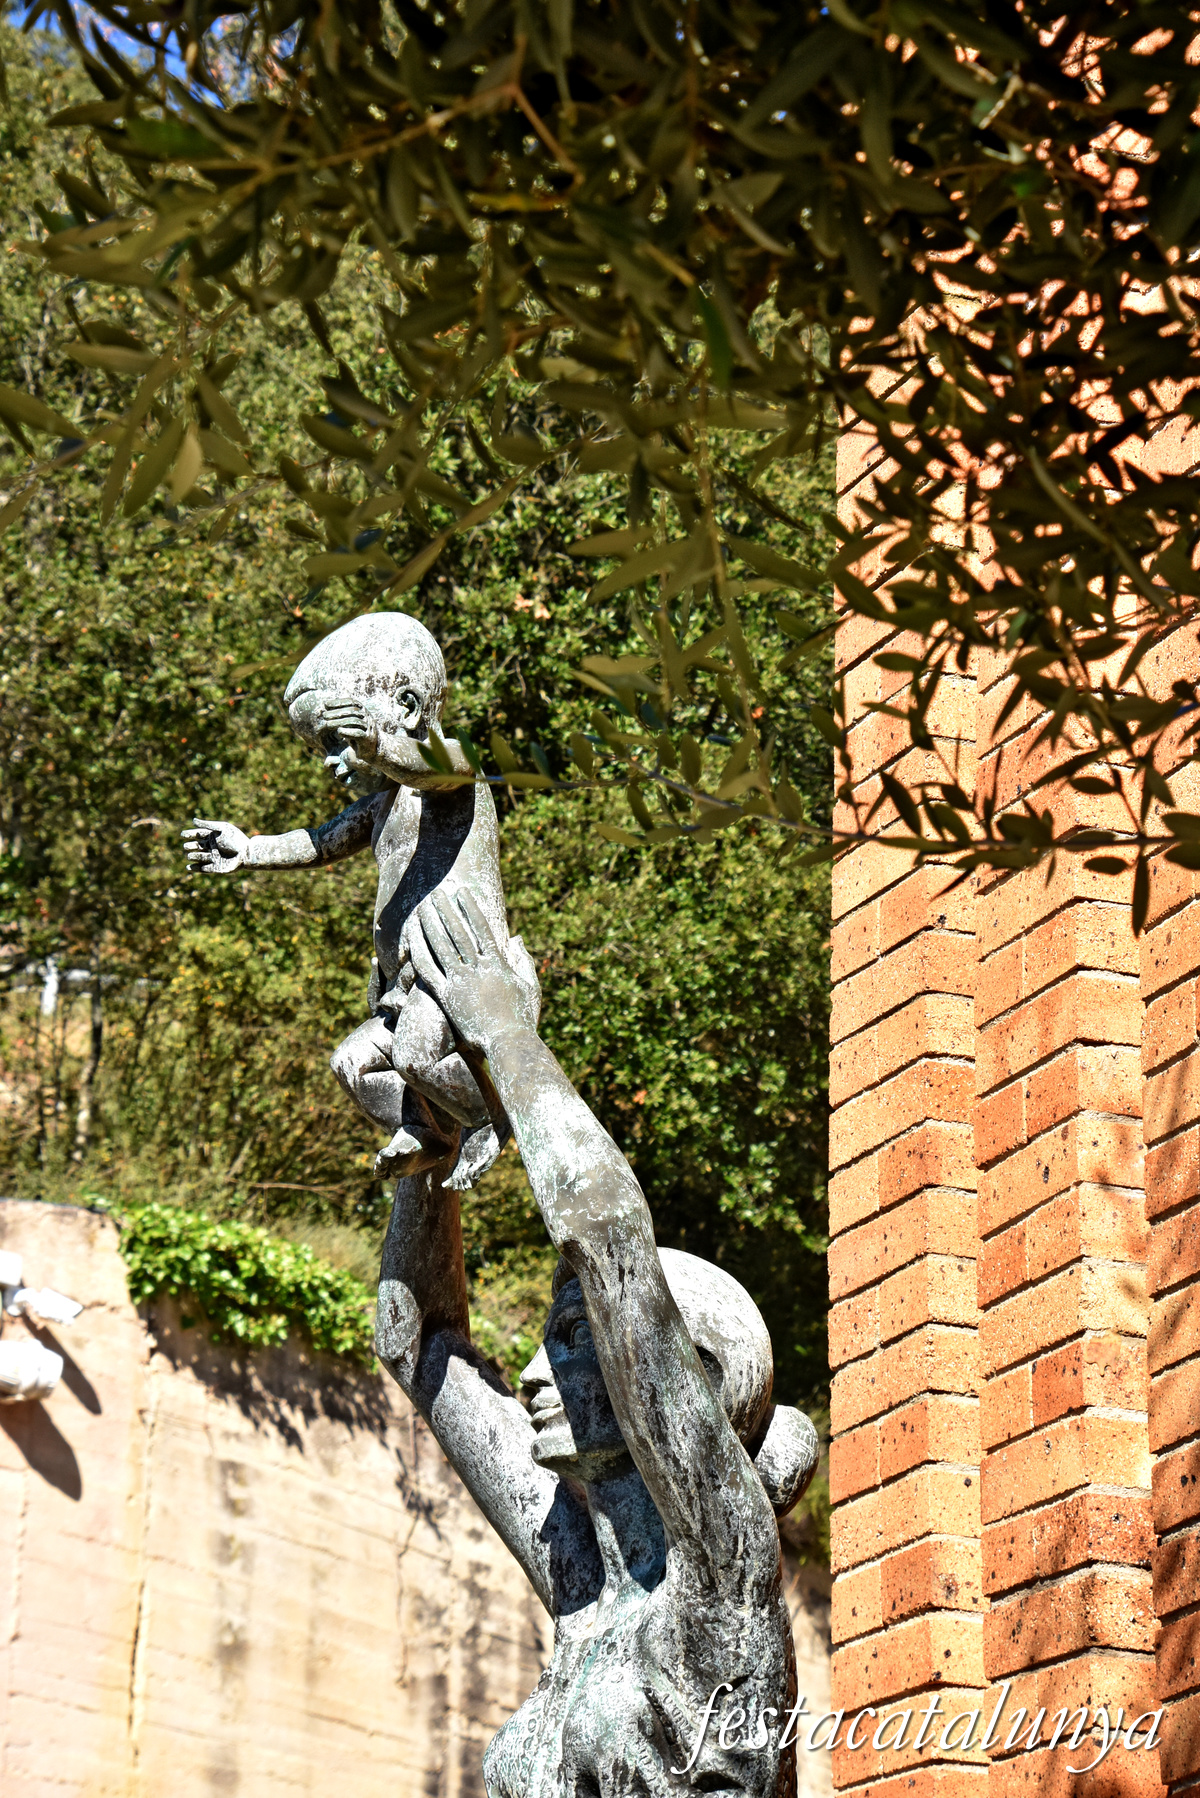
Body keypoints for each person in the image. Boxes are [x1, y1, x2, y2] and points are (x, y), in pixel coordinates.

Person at [378, 886, 819, 1798]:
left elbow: (609, 1236)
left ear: (688, 1376)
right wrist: (433, 1137)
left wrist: (506, 1036)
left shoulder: (721, 1573)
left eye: (580, 1341)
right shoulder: (583, 1585)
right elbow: (416, 1344)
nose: (537, 1372)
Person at [181, 612, 535, 1190]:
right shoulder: (381, 809)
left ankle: (488, 1119)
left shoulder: (453, 770)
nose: (330, 761)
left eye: (337, 742)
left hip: (453, 972)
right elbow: (318, 843)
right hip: (401, 986)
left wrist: (380, 744)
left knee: (418, 1058)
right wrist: (248, 850)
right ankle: (429, 1131)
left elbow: (432, 767)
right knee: (352, 1064)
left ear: (407, 708)